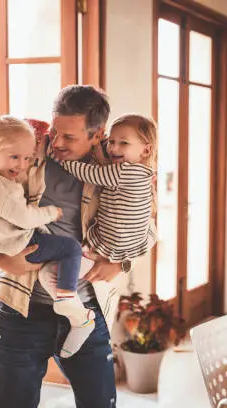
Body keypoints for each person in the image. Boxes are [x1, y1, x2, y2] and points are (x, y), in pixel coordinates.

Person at [0, 85, 155, 408]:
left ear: (97, 135)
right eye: (55, 131)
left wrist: (120, 264)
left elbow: (148, 229)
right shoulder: (24, 155)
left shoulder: (115, 170)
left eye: (69, 137)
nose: (56, 142)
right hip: (21, 309)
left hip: (85, 311)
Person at [0, 113, 96, 355]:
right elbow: (25, 217)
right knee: (71, 249)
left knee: (48, 271)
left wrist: (120, 262)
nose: (22, 165)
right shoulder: (7, 188)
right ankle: (67, 300)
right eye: (15, 157)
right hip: (18, 247)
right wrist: (51, 213)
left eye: (28, 158)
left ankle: (71, 309)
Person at [49, 114, 158, 355]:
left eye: (123, 143)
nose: (113, 147)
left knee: (50, 276)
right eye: (111, 142)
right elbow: (104, 169)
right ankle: (78, 318)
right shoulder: (140, 173)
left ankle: (80, 320)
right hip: (115, 249)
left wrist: (58, 157)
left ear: (145, 150)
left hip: (106, 251)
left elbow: (91, 174)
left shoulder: (123, 173)